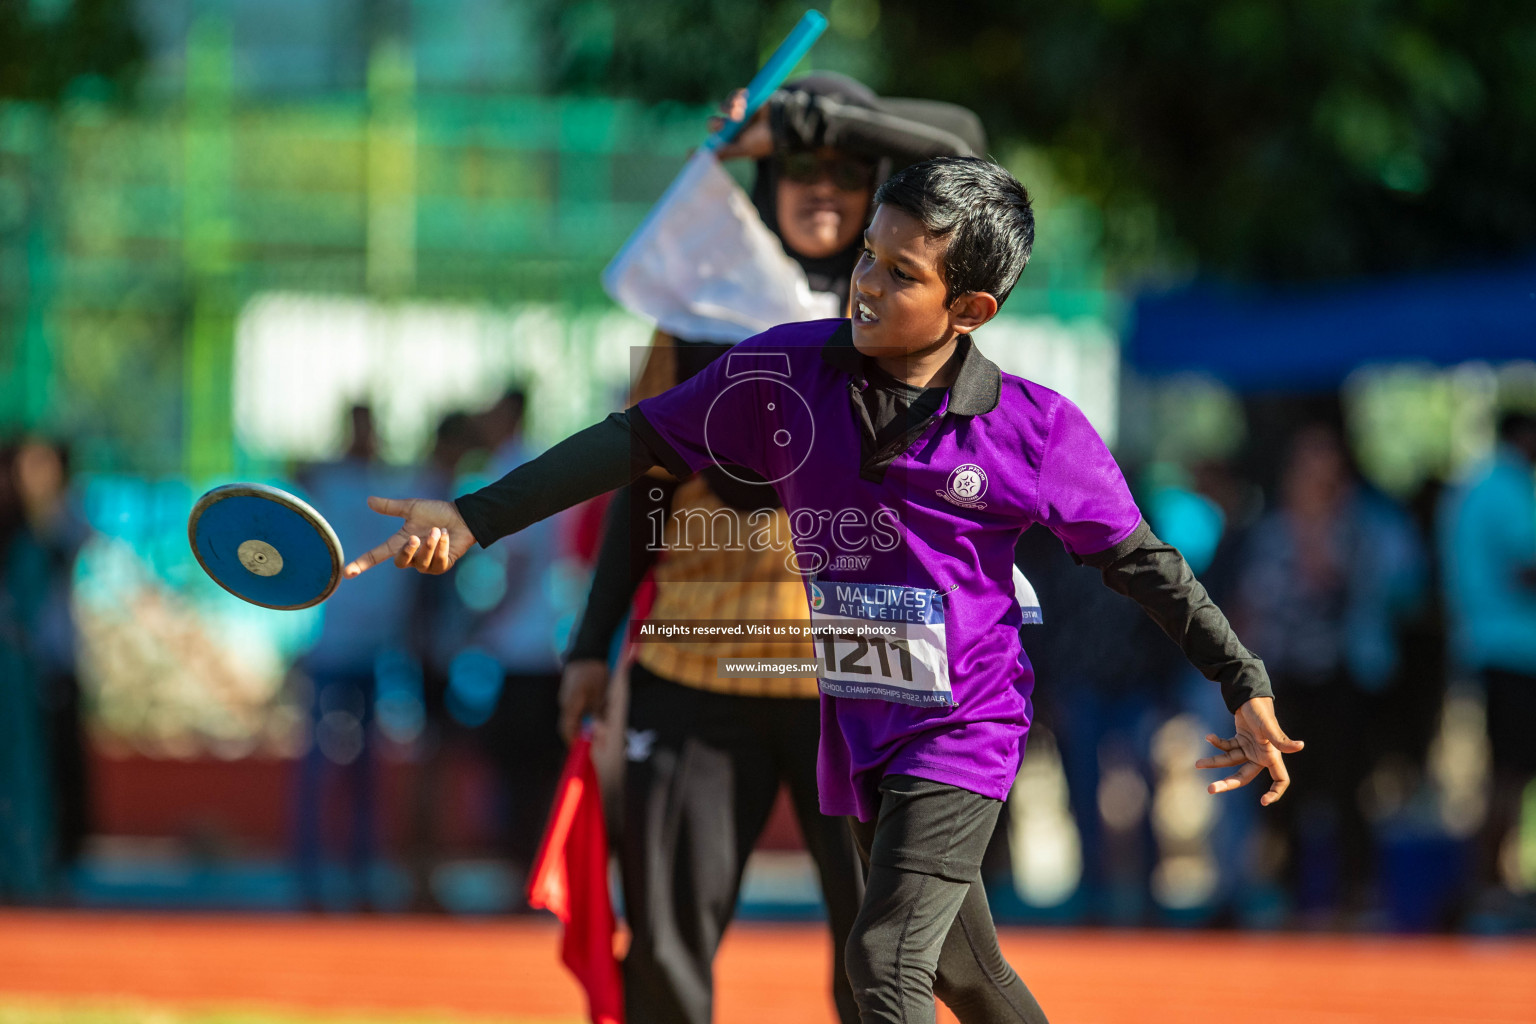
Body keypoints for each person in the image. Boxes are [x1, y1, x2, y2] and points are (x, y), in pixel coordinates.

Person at [344, 157, 1300, 1024]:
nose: (868, 283)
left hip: (963, 726)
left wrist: (1242, 678)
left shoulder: (1035, 430)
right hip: (856, 719)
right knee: (965, 975)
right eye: (869, 259)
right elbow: (630, 444)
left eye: (901, 273)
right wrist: (474, 517)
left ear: (969, 311)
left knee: (882, 966)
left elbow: (1144, 563)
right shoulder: (782, 372)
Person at [559, 74, 985, 1024]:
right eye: (799, 168)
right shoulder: (695, 310)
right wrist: (592, 646)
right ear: (764, 182)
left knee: (883, 956)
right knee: (665, 941)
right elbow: (645, 486)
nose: (821, 188)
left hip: (869, 676)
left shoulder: (910, 314)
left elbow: (968, 146)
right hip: (696, 666)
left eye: (846, 169)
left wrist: (807, 118)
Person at [1237, 425, 1423, 919]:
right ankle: (1292, 895)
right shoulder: (1273, 531)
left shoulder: (1359, 527)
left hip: (1344, 675)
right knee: (1284, 789)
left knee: (1348, 787)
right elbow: (1257, 600)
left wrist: (1319, 527)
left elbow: (1344, 583)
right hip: (1285, 678)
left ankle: (1355, 893)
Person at [1439, 411, 1536, 913]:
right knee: (1510, 772)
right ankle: (1489, 885)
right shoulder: (1509, 488)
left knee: (1507, 769)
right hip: (1513, 650)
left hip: (1492, 646)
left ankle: (1493, 881)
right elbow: (1525, 565)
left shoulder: (1477, 487)